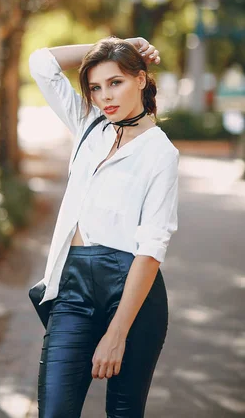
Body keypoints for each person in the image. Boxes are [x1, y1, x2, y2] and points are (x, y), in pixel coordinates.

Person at [28, 36, 179, 418]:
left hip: (131, 293)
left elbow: (151, 249)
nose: (104, 96)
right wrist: (115, 44)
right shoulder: (89, 126)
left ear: (141, 80)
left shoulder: (160, 153)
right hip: (73, 289)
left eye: (116, 82)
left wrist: (117, 334)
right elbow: (40, 63)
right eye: (95, 87)